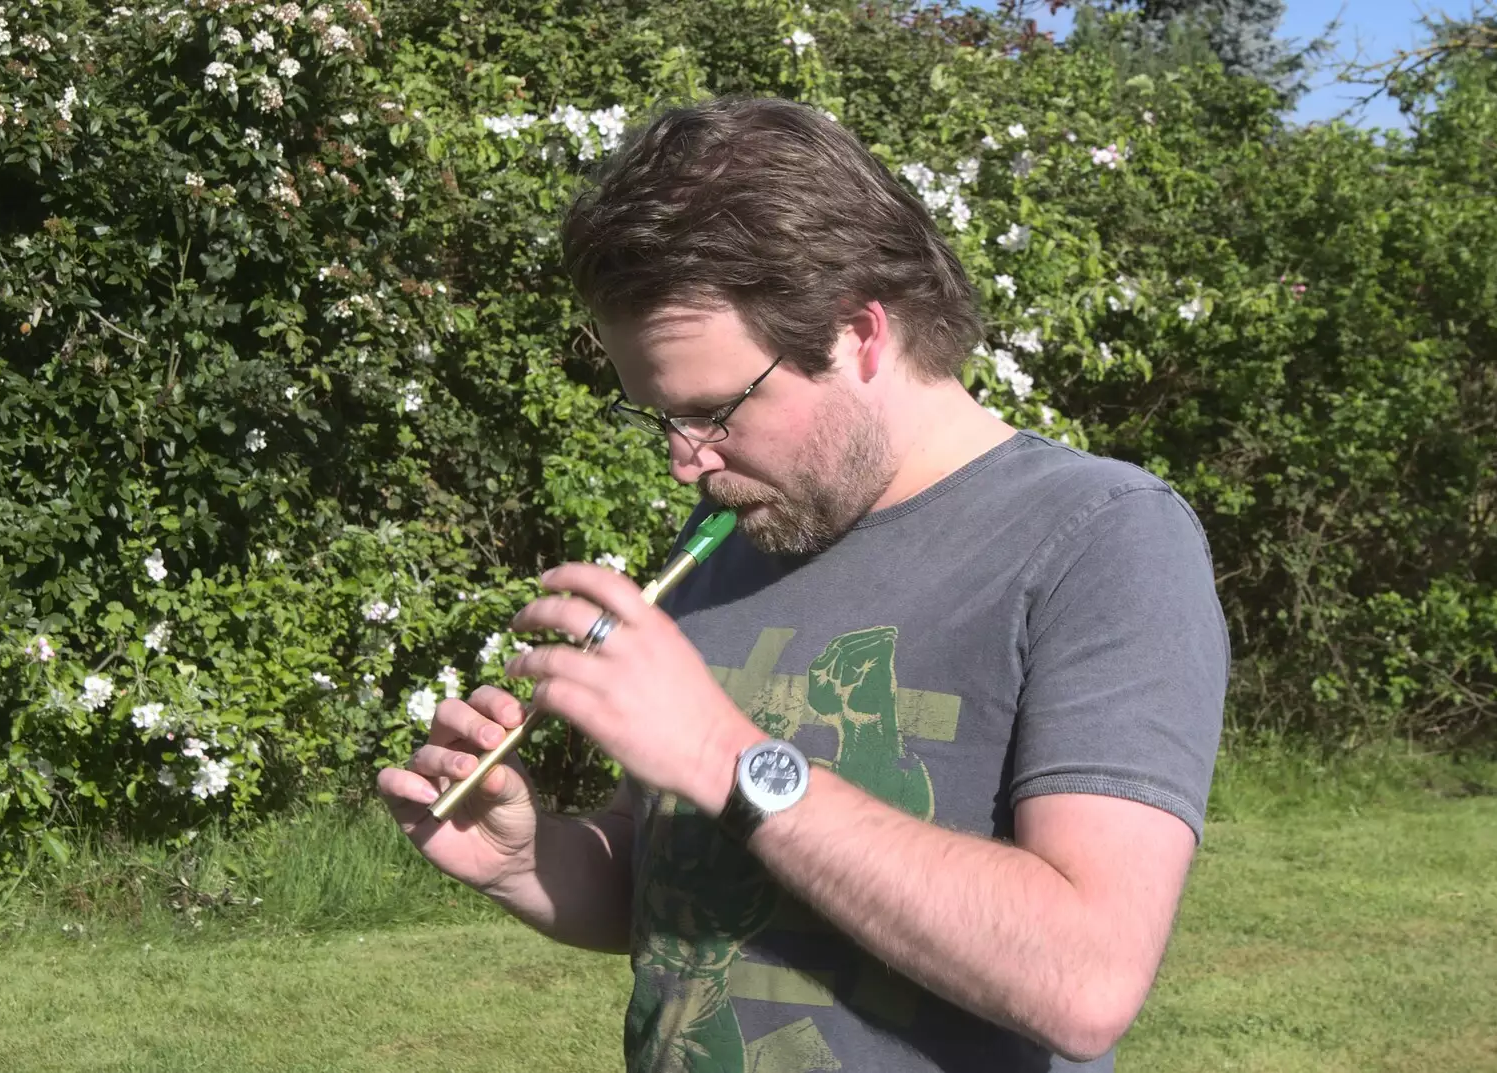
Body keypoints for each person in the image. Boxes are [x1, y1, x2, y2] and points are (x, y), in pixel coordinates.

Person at [378, 94, 1229, 1073]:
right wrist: (531, 860)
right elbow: (674, 883)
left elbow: (1085, 980)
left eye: (713, 410)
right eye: (660, 419)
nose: (686, 463)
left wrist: (718, 751)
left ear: (860, 331)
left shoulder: (1098, 536)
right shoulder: (727, 533)